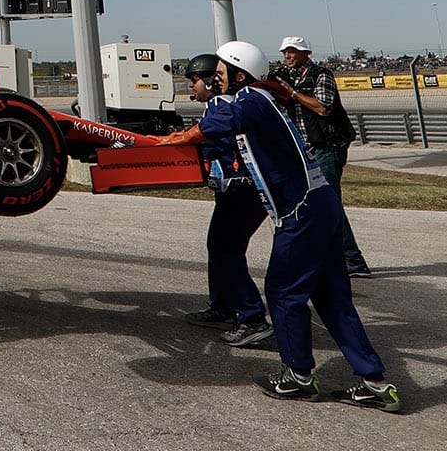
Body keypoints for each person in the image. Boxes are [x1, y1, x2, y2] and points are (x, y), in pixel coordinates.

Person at [153, 40, 401, 411]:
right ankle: (375, 383)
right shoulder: (262, 99)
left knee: (284, 291)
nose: (214, 81)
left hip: (300, 210)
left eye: (219, 75)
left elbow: (212, 125)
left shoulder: (250, 100)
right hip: (320, 204)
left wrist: (166, 140)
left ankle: (298, 377)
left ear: (240, 75)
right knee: (332, 297)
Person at [176, 53, 273, 349]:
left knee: (226, 249)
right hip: (234, 191)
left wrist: (174, 140)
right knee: (219, 247)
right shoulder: (218, 105)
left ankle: (252, 317)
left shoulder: (221, 104)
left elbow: (212, 138)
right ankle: (224, 306)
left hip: (242, 191)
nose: (191, 86)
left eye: (194, 80)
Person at [272, 36, 371, 278]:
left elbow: (322, 107)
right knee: (313, 204)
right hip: (306, 148)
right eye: (285, 52)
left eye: (292, 52)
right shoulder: (286, 76)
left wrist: (293, 93)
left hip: (328, 147)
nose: (287, 56)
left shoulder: (321, 74)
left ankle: (353, 260)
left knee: (329, 204)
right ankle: (331, 258)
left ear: (306, 53)